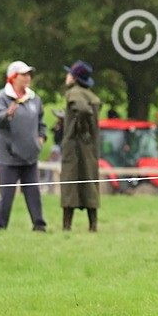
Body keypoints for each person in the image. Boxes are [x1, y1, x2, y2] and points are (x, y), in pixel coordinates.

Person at [0, 60, 47, 231]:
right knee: (6, 194)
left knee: (33, 193)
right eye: (23, 75)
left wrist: (41, 137)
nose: (28, 78)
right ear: (13, 77)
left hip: (30, 155)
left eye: (29, 74)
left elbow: (41, 122)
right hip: (9, 156)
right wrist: (7, 114)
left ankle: (39, 225)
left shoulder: (34, 99)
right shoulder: (2, 98)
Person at [60, 61, 102, 232]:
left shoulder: (74, 93)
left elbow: (83, 110)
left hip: (74, 147)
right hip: (90, 147)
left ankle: (66, 226)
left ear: (74, 78)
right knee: (90, 182)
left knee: (69, 183)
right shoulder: (91, 95)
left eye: (69, 73)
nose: (67, 76)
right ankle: (93, 226)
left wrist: (80, 127)